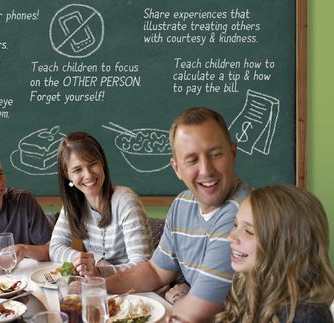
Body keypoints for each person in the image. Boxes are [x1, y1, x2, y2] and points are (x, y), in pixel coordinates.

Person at [106, 107, 252, 322]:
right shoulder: (183, 203)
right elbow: (156, 272)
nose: (206, 170)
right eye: (192, 160)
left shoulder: (243, 214)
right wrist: (98, 287)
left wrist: (179, 297)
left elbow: (195, 313)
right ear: (177, 168)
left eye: (215, 154)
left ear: (233, 153)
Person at [215, 185, 334, 323]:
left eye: (249, 231)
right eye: (236, 225)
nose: (231, 236)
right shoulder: (246, 286)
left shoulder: (307, 315)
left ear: (287, 246)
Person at [49, 132, 153, 277]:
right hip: (100, 286)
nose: (88, 175)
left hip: (136, 289)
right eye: (78, 170)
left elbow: (142, 265)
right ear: (68, 175)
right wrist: (88, 260)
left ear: (102, 163)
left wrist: (100, 270)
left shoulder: (126, 201)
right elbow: (54, 248)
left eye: (92, 164)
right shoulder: (74, 202)